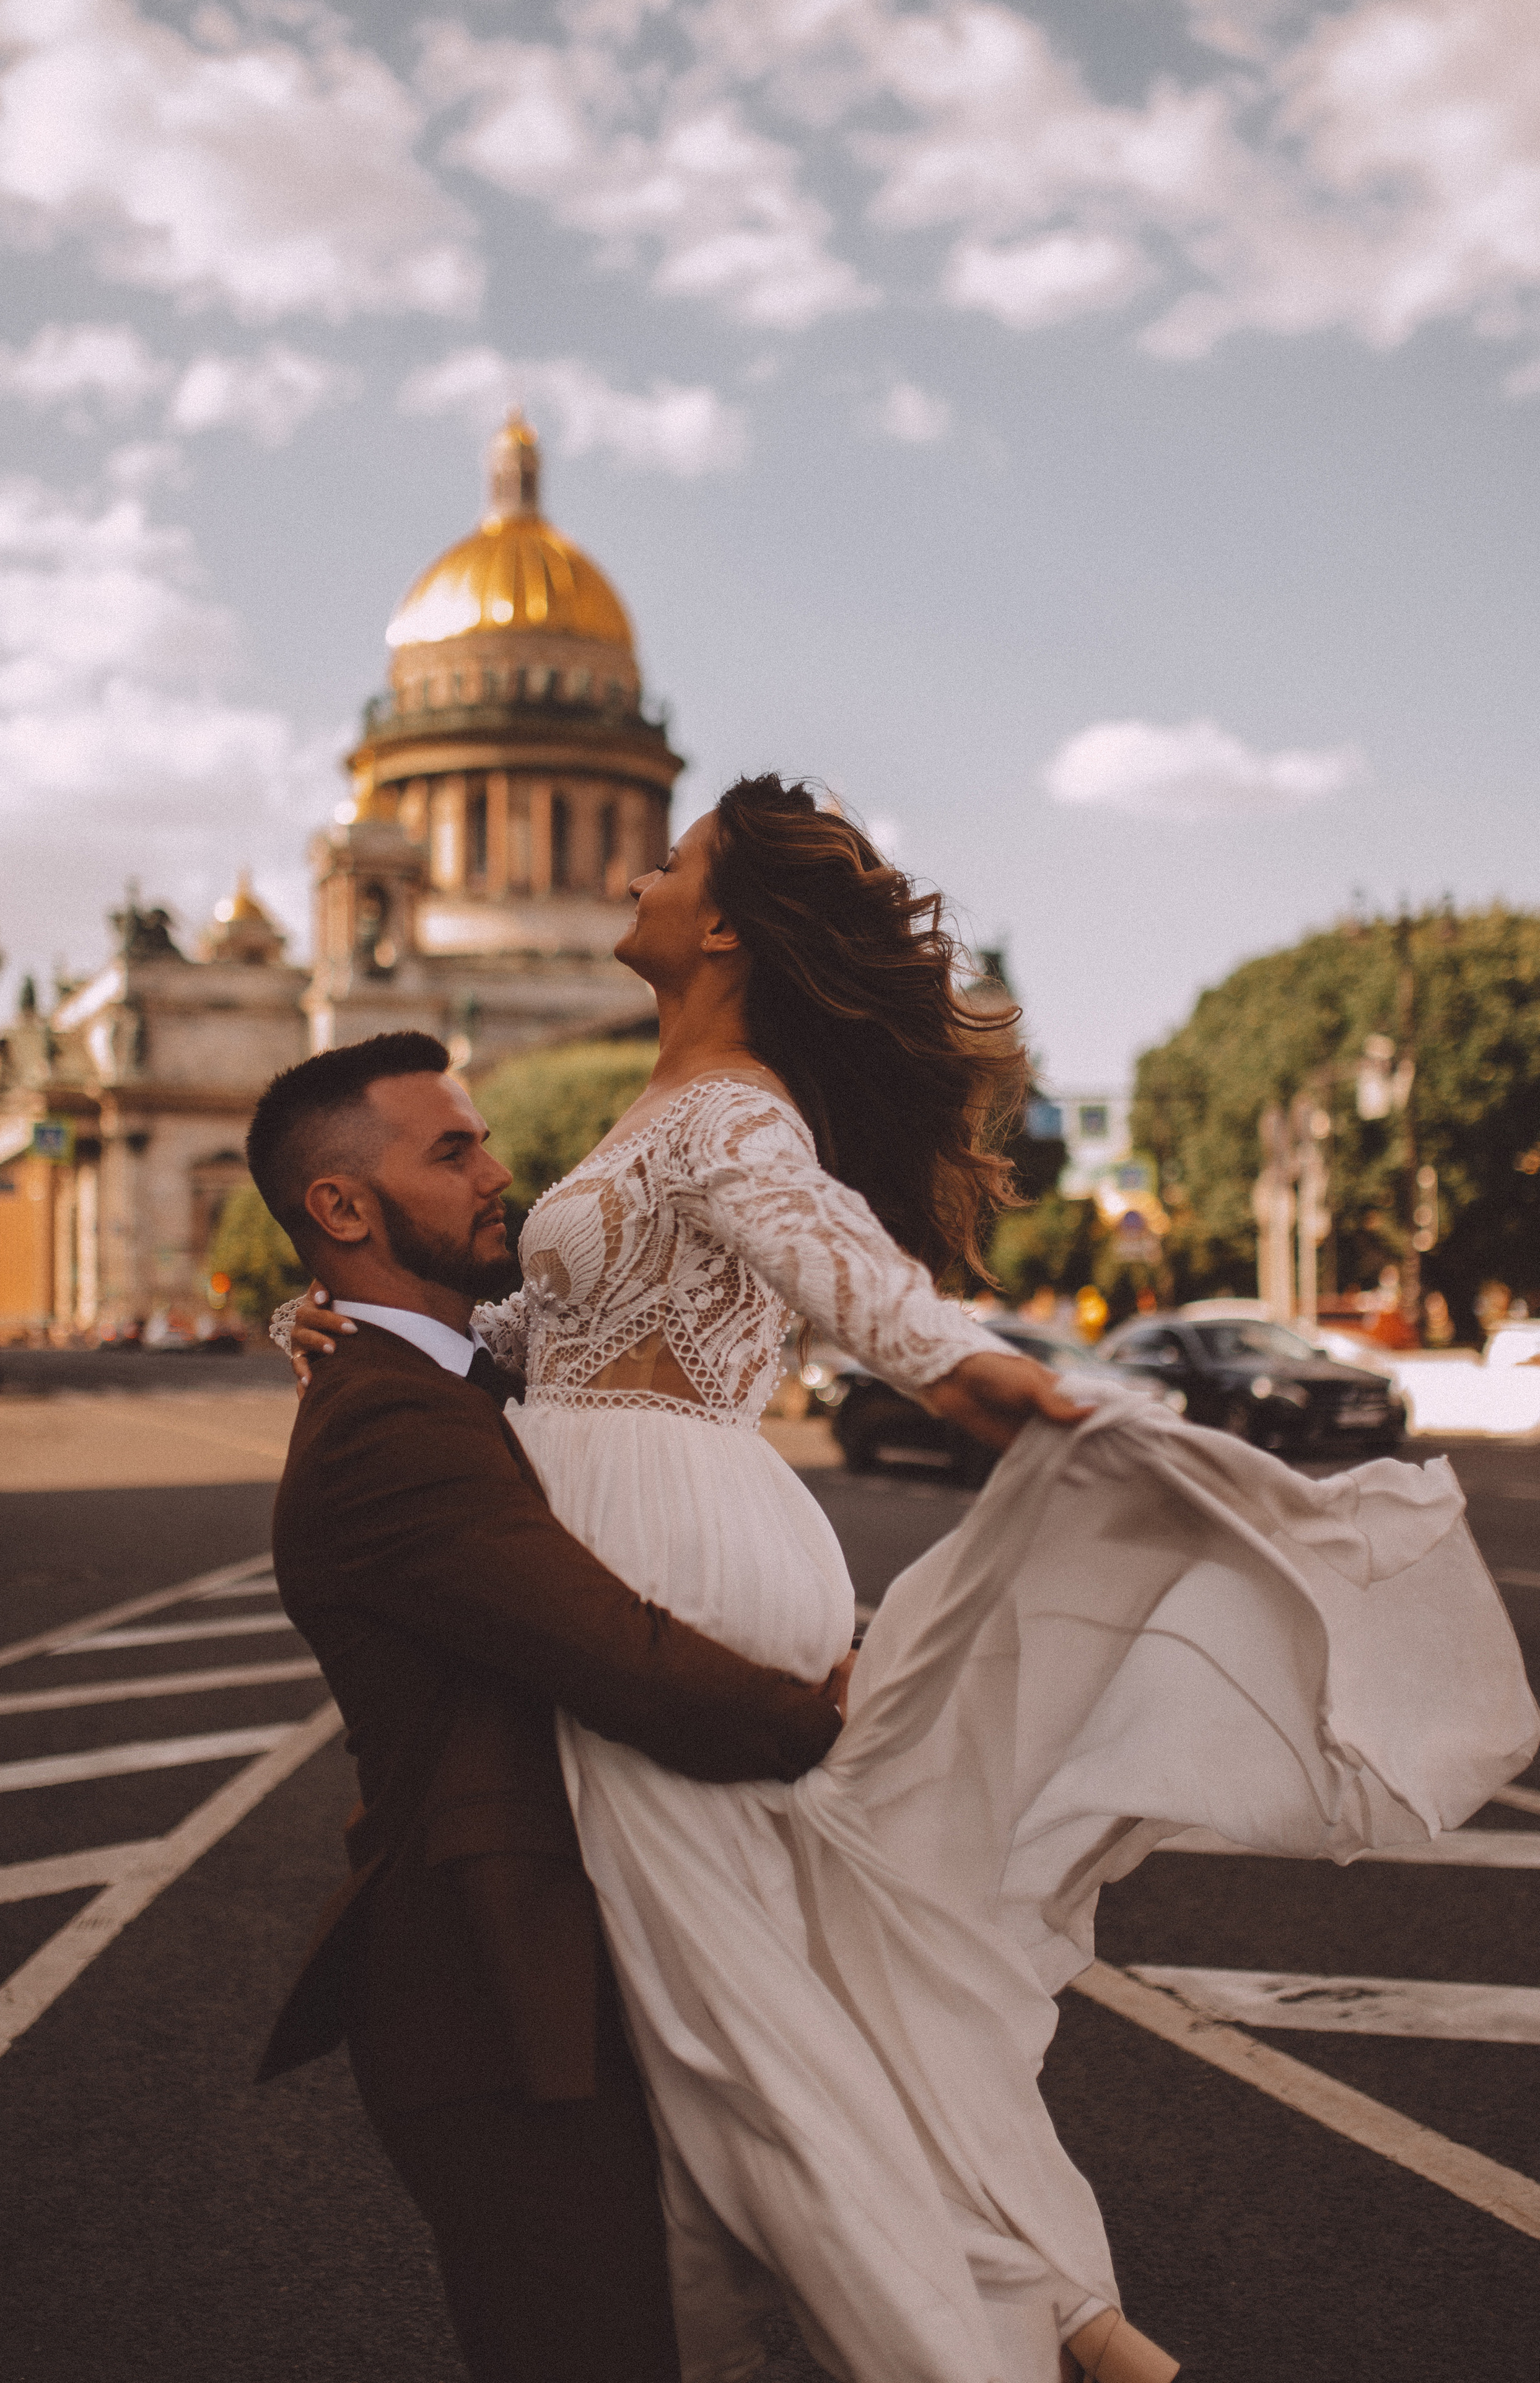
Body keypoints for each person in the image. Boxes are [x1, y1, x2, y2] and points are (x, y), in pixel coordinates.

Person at [285, 779, 1538, 2383]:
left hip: (669, 1539)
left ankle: (959, 2347)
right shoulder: (673, 1103)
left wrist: (1009, 1387)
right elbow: (535, 1346)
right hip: (678, 1512)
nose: (639, 870)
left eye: (669, 858)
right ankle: (1062, 2311)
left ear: (722, 924)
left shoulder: (731, 1110)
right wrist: (337, 1321)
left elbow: (852, 1277)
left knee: (741, 2040)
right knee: (811, 1985)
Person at [248, 1032, 859, 2383]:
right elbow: (612, 1654)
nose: (499, 1172)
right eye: (453, 1148)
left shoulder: (458, 1378)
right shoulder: (382, 1424)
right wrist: (837, 1715)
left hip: (577, 1957)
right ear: (341, 1208)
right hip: (493, 1998)